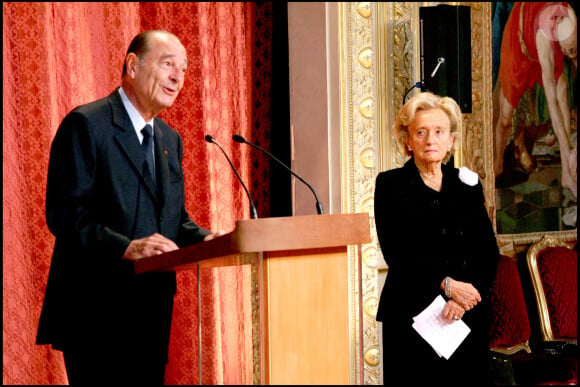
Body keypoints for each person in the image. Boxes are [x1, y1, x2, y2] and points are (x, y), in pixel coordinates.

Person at [36, 30, 224, 385]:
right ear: (132, 66)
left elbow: (174, 221)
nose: (177, 77)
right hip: (96, 313)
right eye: (167, 64)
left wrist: (212, 239)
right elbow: (66, 214)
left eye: (183, 69)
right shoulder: (87, 124)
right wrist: (126, 247)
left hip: (151, 313)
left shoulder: (169, 139)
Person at [374, 92, 499, 386]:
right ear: (408, 140)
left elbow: (487, 252)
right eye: (421, 132)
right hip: (412, 318)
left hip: (466, 320)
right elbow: (398, 253)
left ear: (451, 140)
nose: (431, 139)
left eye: (439, 132)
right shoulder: (390, 185)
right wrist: (446, 284)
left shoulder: (467, 185)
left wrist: (464, 298)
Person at [494, 2, 576, 199]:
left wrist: (571, 154)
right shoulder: (544, 40)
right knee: (505, 119)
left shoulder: (570, 14)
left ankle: (567, 173)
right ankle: (495, 169)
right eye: (571, 51)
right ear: (561, 46)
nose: (573, 56)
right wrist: (568, 149)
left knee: (563, 88)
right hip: (519, 42)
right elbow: (553, 108)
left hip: (543, 26)